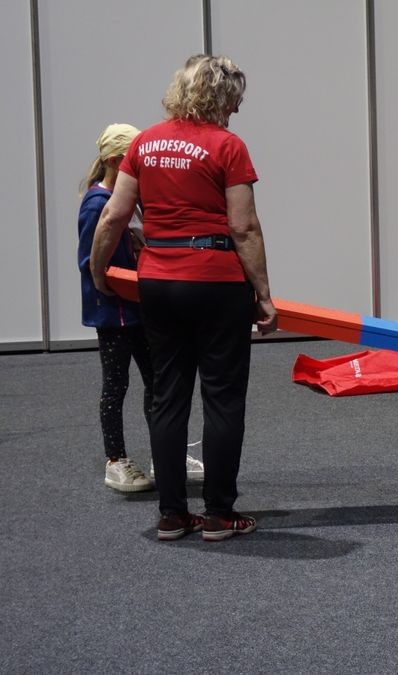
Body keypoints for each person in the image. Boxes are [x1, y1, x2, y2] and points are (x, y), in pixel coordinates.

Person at [90, 54, 277, 542]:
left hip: (160, 283)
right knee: (222, 397)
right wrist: (263, 293)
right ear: (220, 99)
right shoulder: (228, 146)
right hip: (216, 283)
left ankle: (173, 514)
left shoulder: (146, 142)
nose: (235, 113)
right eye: (233, 102)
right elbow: (243, 226)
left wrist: (99, 272)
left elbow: (113, 216)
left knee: (168, 397)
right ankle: (219, 513)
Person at [78, 124, 205, 493]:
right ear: (116, 160)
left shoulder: (131, 201)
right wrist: (109, 285)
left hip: (142, 309)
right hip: (114, 315)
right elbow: (90, 262)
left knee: (159, 383)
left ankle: (165, 452)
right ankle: (115, 461)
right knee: (116, 385)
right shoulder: (97, 205)